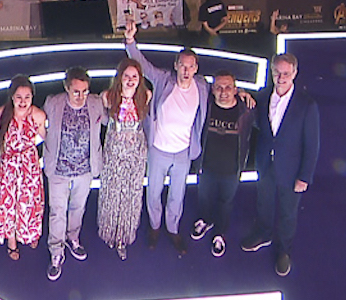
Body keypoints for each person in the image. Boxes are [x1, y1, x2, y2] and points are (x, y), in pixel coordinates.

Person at [125, 21, 207, 255]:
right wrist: (130, 41)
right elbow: (143, 65)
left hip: (183, 153)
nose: (186, 70)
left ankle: (173, 229)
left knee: (177, 195)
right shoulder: (163, 79)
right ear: (176, 65)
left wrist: (241, 93)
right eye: (182, 65)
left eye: (190, 66)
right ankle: (154, 227)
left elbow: (224, 92)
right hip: (158, 150)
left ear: (196, 68)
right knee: (153, 192)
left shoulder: (202, 87)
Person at [241, 53, 320, 277]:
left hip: (292, 170)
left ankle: (284, 250)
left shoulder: (307, 105)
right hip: (265, 163)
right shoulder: (264, 96)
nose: (281, 77)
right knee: (263, 202)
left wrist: (304, 176)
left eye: (286, 73)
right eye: (277, 72)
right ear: (272, 72)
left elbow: (312, 145)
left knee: (288, 212)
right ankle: (264, 233)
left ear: (294, 73)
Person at [41, 66, 104, 280]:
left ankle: (72, 238)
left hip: (85, 169)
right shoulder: (53, 103)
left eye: (85, 91)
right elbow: (36, 120)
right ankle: (56, 253)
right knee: (57, 211)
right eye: (76, 91)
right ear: (66, 88)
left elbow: (110, 118)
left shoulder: (95, 103)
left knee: (78, 207)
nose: (81, 96)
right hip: (58, 168)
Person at [192, 70, 255, 257]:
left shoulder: (246, 110)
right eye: (219, 87)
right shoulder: (206, 106)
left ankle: (219, 233)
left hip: (231, 170)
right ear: (212, 90)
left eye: (228, 87)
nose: (223, 91)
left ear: (235, 89)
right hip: (206, 167)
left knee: (225, 203)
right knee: (204, 197)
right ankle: (205, 221)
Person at [97, 58, 151, 260]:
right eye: (126, 76)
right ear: (119, 77)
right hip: (114, 151)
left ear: (140, 79)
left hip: (136, 153)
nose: (130, 80)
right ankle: (109, 233)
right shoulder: (108, 97)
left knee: (131, 195)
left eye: (134, 77)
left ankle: (124, 237)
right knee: (112, 192)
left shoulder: (146, 95)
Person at [0, 75, 46, 261]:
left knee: (29, 203)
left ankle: (28, 233)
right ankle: (12, 240)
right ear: (12, 96)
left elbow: (48, 138)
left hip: (29, 168)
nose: (23, 101)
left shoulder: (38, 115)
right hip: (7, 168)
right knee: (9, 205)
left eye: (27, 97)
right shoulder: (1, 113)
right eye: (19, 97)